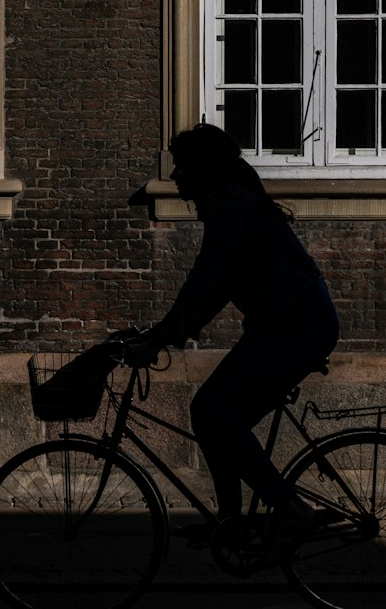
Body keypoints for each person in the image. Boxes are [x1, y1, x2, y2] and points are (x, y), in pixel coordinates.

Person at [130, 123, 339, 541]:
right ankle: (231, 519)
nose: (173, 176)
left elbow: (207, 280)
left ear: (202, 167)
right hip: (286, 323)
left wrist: (160, 336)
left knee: (216, 415)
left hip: (297, 326)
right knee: (210, 413)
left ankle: (291, 508)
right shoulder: (231, 203)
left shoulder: (230, 206)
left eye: (181, 165)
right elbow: (214, 288)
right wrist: (167, 332)